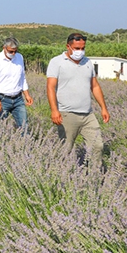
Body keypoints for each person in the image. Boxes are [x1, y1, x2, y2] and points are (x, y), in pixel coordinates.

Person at [47, 33, 110, 169]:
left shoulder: (87, 62)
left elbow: (95, 86)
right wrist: (54, 110)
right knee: (65, 149)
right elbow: (50, 87)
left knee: (98, 145)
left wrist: (103, 108)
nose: (80, 51)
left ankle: (95, 176)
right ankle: (62, 177)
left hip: (88, 114)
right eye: (77, 48)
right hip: (67, 114)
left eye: (82, 48)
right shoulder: (56, 62)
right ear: (68, 46)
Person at [0, 37, 33, 130]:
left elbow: (22, 77)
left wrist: (27, 95)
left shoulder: (19, 57)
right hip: (3, 99)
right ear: (4, 48)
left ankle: (24, 144)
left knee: (24, 127)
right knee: (1, 129)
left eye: (15, 51)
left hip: (18, 99)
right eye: (10, 51)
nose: (13, 54)